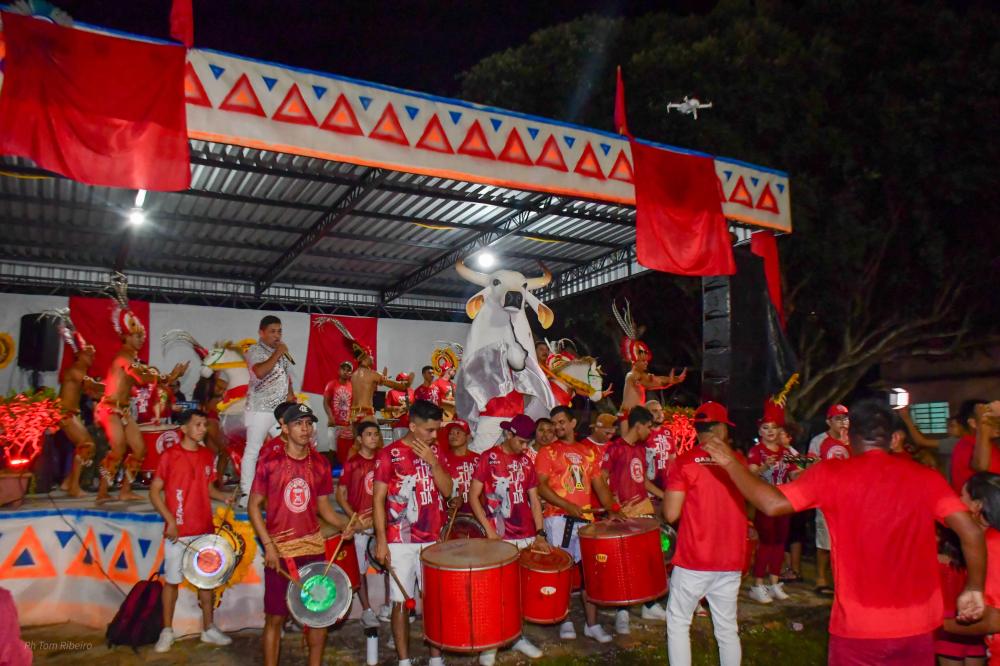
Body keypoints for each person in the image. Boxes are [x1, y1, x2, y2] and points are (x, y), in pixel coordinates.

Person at [703, 399, 987, 666]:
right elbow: (972, 533)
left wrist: (730, 462)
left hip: (858, 627)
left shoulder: (831, 474)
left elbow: (771, 503)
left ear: (849, 436)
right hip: (919, 625)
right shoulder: (926, 478)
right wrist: (973, 588)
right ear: (893, 438)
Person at [248, 403, 352, 666]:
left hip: (313, 548)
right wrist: (269, 546)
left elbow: (324, 507)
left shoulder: (319, 463)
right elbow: (253, 506)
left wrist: (343, 525)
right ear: (284, 427)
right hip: (281, 550)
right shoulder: (269, 461)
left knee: (318, 614)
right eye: (298, 423)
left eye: (308, 423)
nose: (305, 429)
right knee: (275, 617)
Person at [662, 401, 748, 666]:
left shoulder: (685, 462)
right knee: (726, 629)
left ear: (698, 431)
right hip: (731, 559)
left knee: (678, 623)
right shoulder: (739, 461)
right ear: (721, 429)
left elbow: (671, 514)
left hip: (694, 559)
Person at [373, 400, 451, 666]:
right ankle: (404, 660)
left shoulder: (436, 451)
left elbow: (448, 490)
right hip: (400, 540)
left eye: (436, 430)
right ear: (413, 426)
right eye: (429, 430)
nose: (434, 435)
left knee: (433, 602)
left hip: (432, 539)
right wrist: (381, 542)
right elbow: (378, 501)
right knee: (400, 602)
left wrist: (433, 463)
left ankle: (435, 658)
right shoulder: (389, 454)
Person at [536, 405, 623, 643]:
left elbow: (599, 486)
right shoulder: (547, 452)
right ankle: (565, 620)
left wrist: (612, 510)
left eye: (562, 422)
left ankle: (591, 624)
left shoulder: (588, 452)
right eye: (555, 423)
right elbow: (541, 486)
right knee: (563, 573)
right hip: (557, 519)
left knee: (589, 575)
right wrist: (566, 505)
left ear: (573, 423)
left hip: (585, 519)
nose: (557, 427)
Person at [150, 409, 233, 652]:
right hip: (178, 531)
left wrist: (224, 498)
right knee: (172, 582)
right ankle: (167, 630)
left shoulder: (208, 455)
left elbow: (208, 489)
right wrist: (171, 521)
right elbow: (154, 492)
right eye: (197, 425)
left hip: (204, 529)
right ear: (183, 429)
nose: (203, 429)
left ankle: (208, 628)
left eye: (204, 425)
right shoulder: (170, 456)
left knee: (207, 582)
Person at [468, 414, 547, 663]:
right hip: (498, 538)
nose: (525, 447)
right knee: (496, 593)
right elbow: (473, 497)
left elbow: (534, 499)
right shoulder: (488, 458)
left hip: (525, 536)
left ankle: (516, 637)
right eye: (522, 442)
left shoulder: (526, 462)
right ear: (509, 434)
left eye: (528, 443)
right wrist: (490, 531)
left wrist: (540, 533)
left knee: (520, 592)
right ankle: (490, 645)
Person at [96, 302, 185, 503]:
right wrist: (170, 376)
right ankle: (102, 492)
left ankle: (125, 490)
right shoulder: (124, 357)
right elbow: (142, 377)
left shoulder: (132, 357)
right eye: (137, 335)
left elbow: (144, 377)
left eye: (142, 336)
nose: (141, 339)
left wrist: (168, 378)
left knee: (139, 449)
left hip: (124, 410)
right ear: (125, 336)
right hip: (110, 408)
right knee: (118, 449)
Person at [600, 406, 667, 628]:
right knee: (625, 563)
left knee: (650, 559)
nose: (650, 431)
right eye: (648, 427)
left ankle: (649, 605)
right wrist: (612, 506)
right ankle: (623, 611)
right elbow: (602, 478)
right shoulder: (615, 448)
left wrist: (665, 496)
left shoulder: (641, 449)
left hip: (644, 508)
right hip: (623, 513)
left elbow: (643, 481)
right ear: (638, 425)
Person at [336, 420, 387, 628]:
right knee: (360, 570)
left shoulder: (384, 461)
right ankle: (367, 610)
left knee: (387, 565)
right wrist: (354, 517)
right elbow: (340, 495)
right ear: (359, 439)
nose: (373, 437)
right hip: (360, 526)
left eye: (376, 434)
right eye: (368, 434)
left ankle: (389, 605)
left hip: (381, 523)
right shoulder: (352, 463)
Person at [747, 400, 799, 604]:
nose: (770, 431)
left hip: (782, 502)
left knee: (780, 542)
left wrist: (809, 471)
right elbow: (750, 476)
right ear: (760, 430)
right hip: (764, 502)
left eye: (774, 427)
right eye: (766, 427)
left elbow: (794, 475)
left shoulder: (786, 452)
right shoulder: (756, 451)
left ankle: (774, 582)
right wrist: (763, 468)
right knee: (767, 543)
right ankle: (758, 584)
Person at [241, 315, 295, 508]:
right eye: (272, 331)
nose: (277, 335)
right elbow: (260, 372)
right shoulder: (254, 351)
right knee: (253, 450)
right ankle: (246, 494)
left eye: (279, 331)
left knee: (288, 448)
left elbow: (286, 378)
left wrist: (291, 397)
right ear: (261, 333)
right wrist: (278, 353)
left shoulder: (281, 354)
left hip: (279, 411)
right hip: (259, 409)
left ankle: (281, 489)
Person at [53, 319, 101, 497]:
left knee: (88, 446)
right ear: (79, 355)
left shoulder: (80, 371)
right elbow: (95, 389)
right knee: (86, 445)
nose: (92, 358)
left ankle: (68, 483)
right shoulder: (76, 371)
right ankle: (73, 487)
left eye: (93, 355)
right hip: (66, 414)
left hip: (71, 413)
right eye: (89, 354)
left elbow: (94, 394)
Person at [809, 403, 850, 595]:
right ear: (829, 421)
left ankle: (842, 579)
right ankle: (821, 578)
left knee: (846, 542)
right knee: (825, 541)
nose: (843, 422)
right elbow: (811, 465)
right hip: (826, 497)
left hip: (849, 499)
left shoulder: (853, 441)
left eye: (845, 418)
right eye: (838, 419)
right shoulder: (819, 441)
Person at [952, 400, 994, 492]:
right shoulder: (966, 445)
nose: (996, 424)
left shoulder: (990, 444)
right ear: (974, 423)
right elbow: (981, 466)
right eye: (990, 420)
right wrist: (983, 427)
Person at [440, 419, 479, 515]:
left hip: (476, 515)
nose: (453, 436)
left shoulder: (478, 459)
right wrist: (450, 503)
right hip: (451, 516)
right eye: (451, 433)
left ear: (468, 436)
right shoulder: (441, 459)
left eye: (458, 433)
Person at [324, 360, 355, 466]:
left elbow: (354, 405)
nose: (345, 372)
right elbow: (326, 402)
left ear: (351, 373)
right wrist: (330, 417)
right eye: (343, 369)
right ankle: (329, 472)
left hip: (347, 425)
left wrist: (352, 420)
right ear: (339, 370)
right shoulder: (331, 384)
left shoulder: (352, 386)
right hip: (334, 423)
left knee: (347, 452)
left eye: (348, 370)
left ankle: (345, 473)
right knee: (332, 449)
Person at [643, 400, 674, 488]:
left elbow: (673, 457)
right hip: (648, 485)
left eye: (661, 410)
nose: (660, 414)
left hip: (667, 484)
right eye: (655, 411)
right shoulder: (643, 433)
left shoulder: (668, 432)